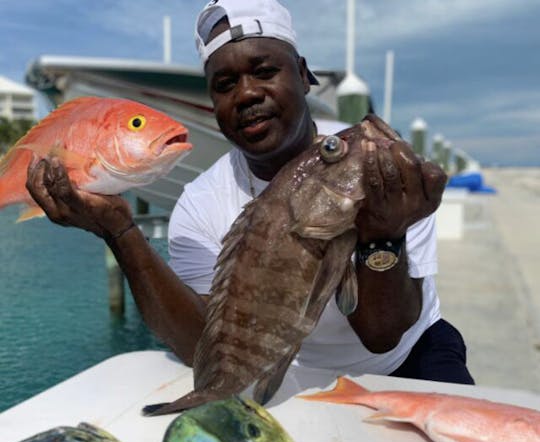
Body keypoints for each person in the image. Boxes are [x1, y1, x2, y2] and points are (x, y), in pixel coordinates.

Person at [26, 0, 474, 385]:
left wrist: (383, 235)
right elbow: (204, 347)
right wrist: (120, 231)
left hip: (410, 357)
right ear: (213, 102)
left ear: (302, 74)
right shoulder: (200, 204)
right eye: (224, 85)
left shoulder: (375, 163)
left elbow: (383, 334)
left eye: (264, 71)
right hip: (291, 374)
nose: (246, 94)